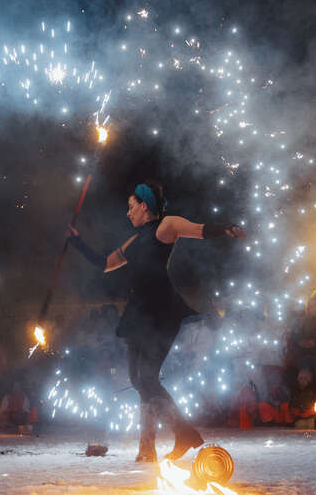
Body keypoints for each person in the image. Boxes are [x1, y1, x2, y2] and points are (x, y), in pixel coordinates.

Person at [68, 181, 245, 461]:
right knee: (138, 380)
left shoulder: (165, 227)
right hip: (138, 312)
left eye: (131, 207)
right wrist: (77, 242)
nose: (128, 213)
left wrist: (226, 227)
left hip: (161, 310)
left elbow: (198, 229)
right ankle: (163, 441)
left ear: (144, 205)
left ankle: (183, 433)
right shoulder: (134, 241)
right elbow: (105, 263)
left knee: (147, 378)